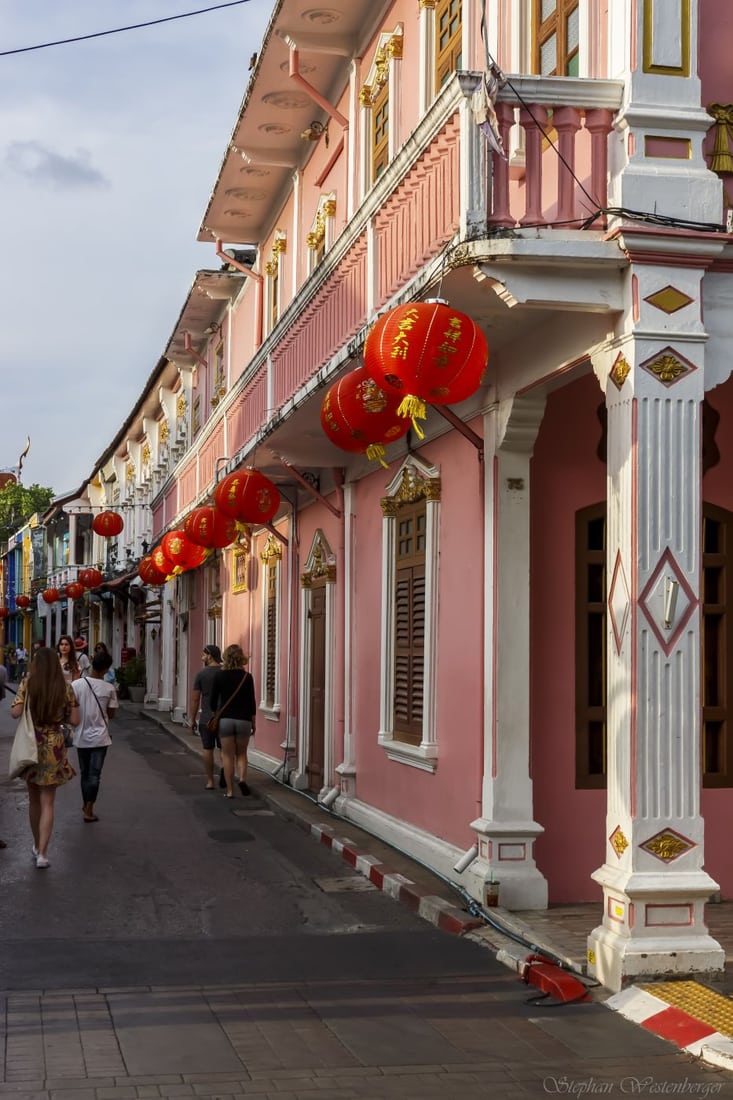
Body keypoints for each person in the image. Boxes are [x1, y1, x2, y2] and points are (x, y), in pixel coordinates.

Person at [10, 646, 79, 869]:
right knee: (48, 802)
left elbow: (15, 712)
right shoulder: (66, 688)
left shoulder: (28, 684)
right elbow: (75, 720)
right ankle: (43, 854)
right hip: (54, 746)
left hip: (31, 745)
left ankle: (36, 845)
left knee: (34, 800)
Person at [71, 651, 118, 822]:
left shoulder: (76, 685)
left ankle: (87, 804)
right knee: (95, 774)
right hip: (100, 737)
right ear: (106, 669)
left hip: (81, 736)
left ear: (91, 662)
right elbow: (111, 714)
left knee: (85, 773)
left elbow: (70, 709)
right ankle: (89, 806)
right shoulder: (109, 688)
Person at [209, 644, 257, 799]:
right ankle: (242, 779)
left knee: (227, 755)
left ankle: (230, 791)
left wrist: (215, 714)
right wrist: (253, 722)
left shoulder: (220, 676)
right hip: (244, 720)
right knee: (242, 753)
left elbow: (213, 700)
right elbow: (252, 702)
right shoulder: (247, 677)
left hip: (226, 720)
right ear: (240, 658)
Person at [189, 644, 223, 790]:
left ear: (209, 656)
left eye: (203, 654)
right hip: (223, 717)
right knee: (224, 750)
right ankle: (225, 775)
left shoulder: (201, 674)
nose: (202, 657)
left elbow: (195, 699)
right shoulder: (225, 672)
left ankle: (210, 781)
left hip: (206, 718)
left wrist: (192, 719)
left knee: (208, 749)